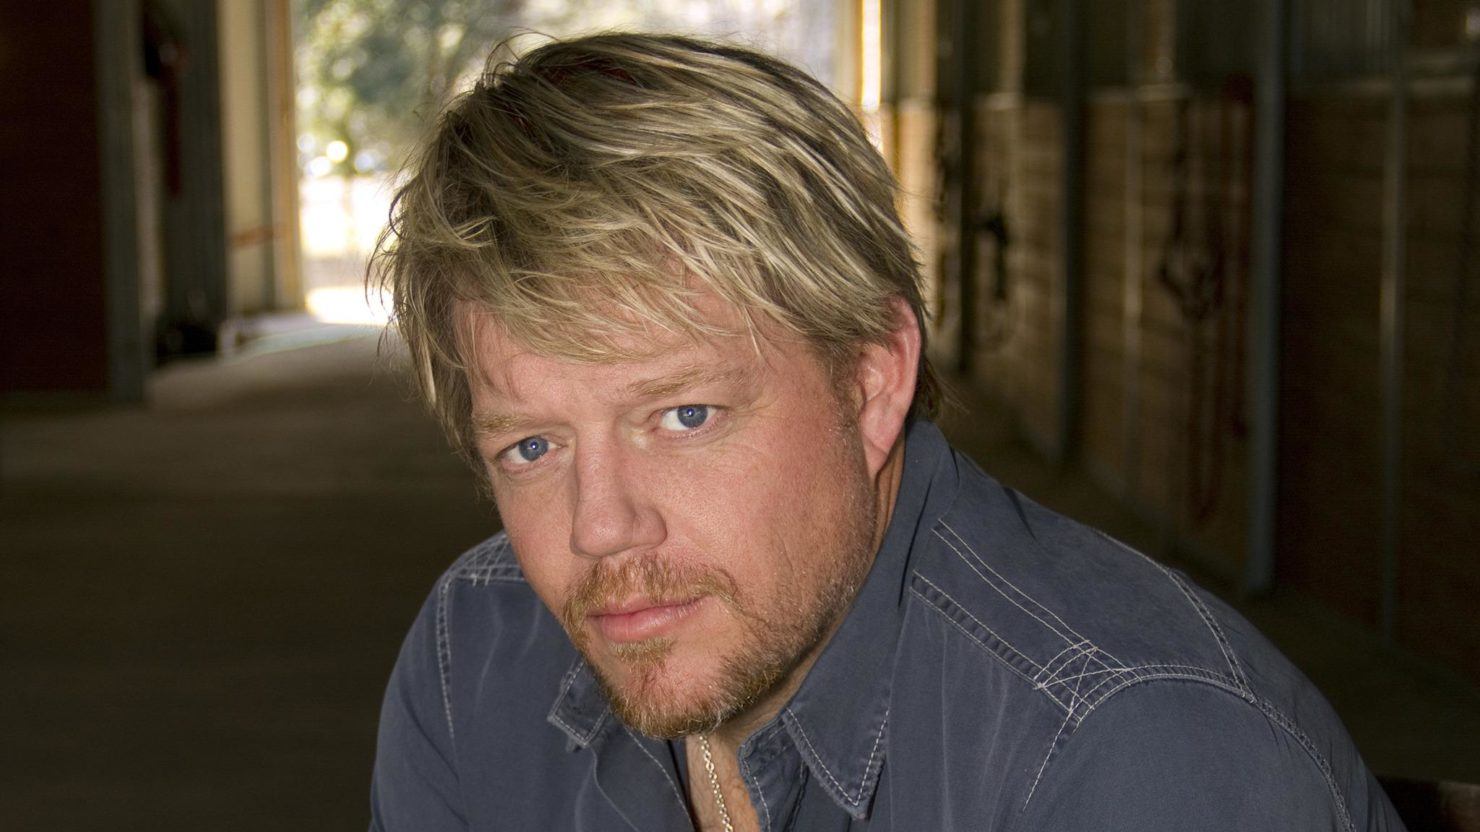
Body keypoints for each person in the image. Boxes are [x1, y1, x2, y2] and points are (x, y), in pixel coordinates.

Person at [368, 32, 1405, 831]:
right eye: (533, 447)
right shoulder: (476, 653)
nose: (599, 528)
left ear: (870, 382)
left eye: (683, 415)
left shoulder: (1135, 751)